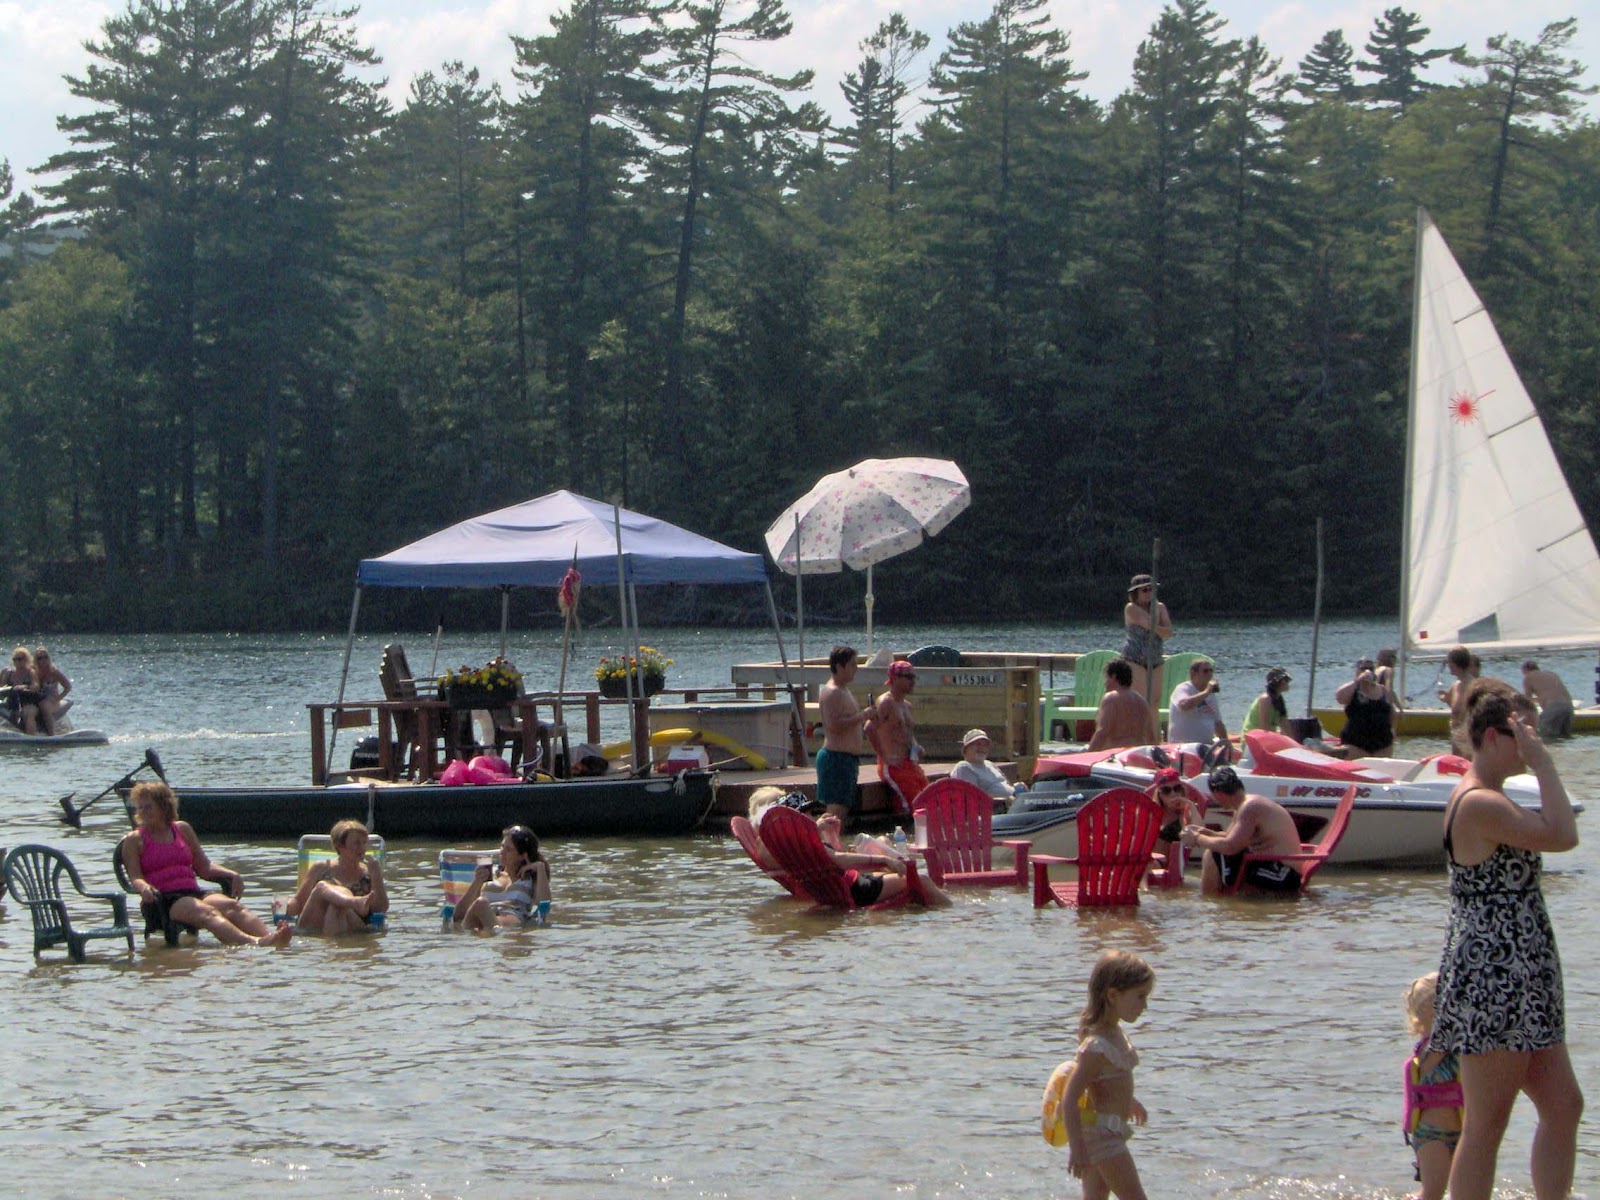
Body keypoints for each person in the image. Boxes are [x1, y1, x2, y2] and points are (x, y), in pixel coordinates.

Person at [1431, 683, 1581, 1200]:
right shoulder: (1478, 802)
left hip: (1523, 971)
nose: (1533, 744)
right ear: (1495, 737)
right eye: (1524, 735)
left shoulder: (1492, 797)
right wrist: (1544, 766)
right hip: (1495, 975)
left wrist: (1537, 761)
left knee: (1564, 1105)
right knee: (1487, 1124)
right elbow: (1564, 835)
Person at [120, 781, 292, 947]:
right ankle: (254, 943)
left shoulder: (182, 829)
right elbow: (135, 877)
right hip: (163, 900)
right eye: (140, 807)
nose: (142, 812)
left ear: (163, 807)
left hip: (192, 892)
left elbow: (205, 867)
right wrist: (144, 888)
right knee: (207, 913)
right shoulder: (134, 839)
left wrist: (232, 874)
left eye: (148, 807)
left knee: (233, 906)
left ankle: (271, 937)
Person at [1041, 949, 1155, 1200]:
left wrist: (1129, 1101)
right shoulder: (1096, 1047)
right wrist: (1078, 1148)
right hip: (1101, 1139)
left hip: (1105, 1133)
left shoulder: (1114, 1033)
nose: (1145, 1006)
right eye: (1140, 997)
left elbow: (1111, 1080)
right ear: (1113, 995)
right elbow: (1070, 1099)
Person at [1180, 764, 1304, 894]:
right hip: (1272, 867)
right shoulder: (1244, 805)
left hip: (1285, 875)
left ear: (1219, 794)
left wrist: (1197, 838)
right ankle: (1217, 903)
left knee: (1213, 854)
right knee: (1215, 852)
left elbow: (1230, 846)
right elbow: (1229, 837)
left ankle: (1210, 904)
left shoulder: (1250, 808)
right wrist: (1204, 832)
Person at [810, 808, 951, 908]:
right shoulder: (808, 841)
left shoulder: (801, 845)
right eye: (810, 814)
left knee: (884, 848)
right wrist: (883, 860)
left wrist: (830, 833)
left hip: (853, 883)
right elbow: (839, 859)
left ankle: (942, 903)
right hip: (858, 890)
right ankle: (950, 912)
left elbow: (833, 861)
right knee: (922, 880)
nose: (813, 818)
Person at [1402, 971, 1462, 1200]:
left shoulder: (1456, 1050)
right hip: (1431, 1135)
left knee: (1464, 1190)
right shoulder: (1427, 1054)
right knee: (1432, 1192)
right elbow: (1439, 1046)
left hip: (1462, 1132)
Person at [285, 819, 388, 934]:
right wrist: (285, 905)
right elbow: (298, 903)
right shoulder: (320, 868)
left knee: (336, 904)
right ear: (339, 846)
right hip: (314, 927)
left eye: (364, 842)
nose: (362, 848)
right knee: (322, 888)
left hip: (354, 928)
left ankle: (333, 949)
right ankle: (353, 902)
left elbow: (380, 909)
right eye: (357, 843)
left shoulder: (369, 872)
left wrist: (376, 874)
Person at [454, 825, 551, 930]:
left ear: (523, 855)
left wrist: (540, 868)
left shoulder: (529, 878)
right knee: (481, 904)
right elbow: (458, 916)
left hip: (512, 926)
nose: (502, 852)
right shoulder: (489, 874)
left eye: (508, 849)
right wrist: (477, 882)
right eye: (502, 846)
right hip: (482, 919)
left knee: (481, 904)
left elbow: (543, 906)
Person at [816, 645, 870, 822]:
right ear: (840, 666)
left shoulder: (843, 689)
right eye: (853, 665)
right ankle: (828, 846)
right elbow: (834, 725)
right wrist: (862, 716)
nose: (856, 669)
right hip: (836, 758)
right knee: (835, 812)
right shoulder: (833, 692)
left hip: (846, 759)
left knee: (842, 813)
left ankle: (835, 845)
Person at [866, 659, 927, 813]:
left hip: (910, 763)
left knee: (930, 799)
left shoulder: (906, 705)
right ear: (895, 679)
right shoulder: (886, 703)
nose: (913, 681)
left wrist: (916, 746)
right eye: (909, 677)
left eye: (914, 677)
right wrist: (884, 756)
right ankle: (906, 833)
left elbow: (907, 732)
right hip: (893, 765)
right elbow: (869, 728)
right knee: (915, 807)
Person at [1119, 575, 1172, 705]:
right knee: (1140, 699)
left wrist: (1157, 623)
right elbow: (1149, 624)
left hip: (1155, 658)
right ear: (1135, 592)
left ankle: (1153, 726)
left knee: (1155, 701)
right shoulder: (1131, 608)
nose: (1149, 593)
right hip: (1135, 658)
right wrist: (1157, 621)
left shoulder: (1160, 607)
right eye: (1144, 590)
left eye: (1151, 589)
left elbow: (1168, 632)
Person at [1147, 766, 1203, 886]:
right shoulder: (1152, 813)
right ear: (1160, 794)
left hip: (1167, 865)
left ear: (1182, 791)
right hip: (1148, 860)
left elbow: (1197, 832)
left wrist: (1191, 805)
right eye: (1167, 790)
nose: (1173, 794)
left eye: (1177, 789)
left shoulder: (1184, 814)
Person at [1086, 659, 1158, 751]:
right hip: (1137, 752)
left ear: (1114, 677)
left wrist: (1089, 755)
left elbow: (1102, 732)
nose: (1105, 683)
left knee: (1063, 752)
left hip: (1115, 753)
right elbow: (1151, 738)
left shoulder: (1111, 698)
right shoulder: (1142, 701)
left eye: (1107, 678)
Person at [1335, 657, 1397, 758]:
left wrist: (1393, 730)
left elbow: (1392, 713)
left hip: (1382, 743)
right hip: (1355, 743)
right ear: (1357, 671)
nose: (1367, 671)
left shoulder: (1382, 690)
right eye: (1363, 668)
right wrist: (1358, 680)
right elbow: (1339, 697)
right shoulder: (1353, 689)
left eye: (1370, 669)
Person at [949, 727, 1025, 805]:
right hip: (995, 812)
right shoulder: (964, 767)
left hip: (1015, 804)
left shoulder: (990, 765)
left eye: (985, 745)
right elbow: (970, 801)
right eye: (978, 744)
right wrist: (1005, 801)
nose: (982, 748)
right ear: (966, 749)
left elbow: (1005, 785)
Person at [1166, 659, 1227, 746]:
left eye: (1211, 671)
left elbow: (1218, 723)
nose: (1210, 674)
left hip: (1205, 745)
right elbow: (1184, 705)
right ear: (1194, 673)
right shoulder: (1183, 689)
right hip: (1183, 746)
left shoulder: (1210, 695)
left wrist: (1226, 745)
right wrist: (1206, 692)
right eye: (1205, 671)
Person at [1521, 660, 1575, 739]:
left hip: (1554, 706)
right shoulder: (1551, 674)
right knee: (1566, 737)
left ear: (1525, 670)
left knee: (1545, 737)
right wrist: (1539, 699)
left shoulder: (1528, 677)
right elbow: (1550, 693)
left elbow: (1527, 700)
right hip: (1568, 705)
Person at [1439, 647, 1474, 757]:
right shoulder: (1456, 685)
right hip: (1456, 737)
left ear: (1456, 663)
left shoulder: (1473, 685)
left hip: (1469, 738)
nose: (1447, 665)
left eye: (1449, 662)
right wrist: (1445, 699)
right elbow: (1455, 707)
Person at [30, 646, 70, 736]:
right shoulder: (32, 671)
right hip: (37, 699)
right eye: (40, 658)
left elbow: (68, 686)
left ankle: (52, 734)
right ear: (35, 659)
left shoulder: (54, 671)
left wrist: (59, 697)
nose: (43, 660)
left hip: (51, 700)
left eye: (45, 657)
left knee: (44, 705)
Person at [0, 645, 41, 734]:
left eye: (20, 659)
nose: (17, 661)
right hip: (11, 701)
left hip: (28, 701)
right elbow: (1, 687)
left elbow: (36, 686)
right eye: (15, 659)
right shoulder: (8, 673)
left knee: (28, 714)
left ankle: (31, 738)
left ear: (26, 659)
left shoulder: (30, 672)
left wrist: (25, 687)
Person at [1240, 667, 1291, 735]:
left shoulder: (1279, 699)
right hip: (1253, 739)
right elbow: (1264, 729)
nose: (1288, 682)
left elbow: (1285, 725)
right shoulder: (1266, 699)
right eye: (1286, 680)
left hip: (1267, 737)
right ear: (1278, 682)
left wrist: (1295, 743)